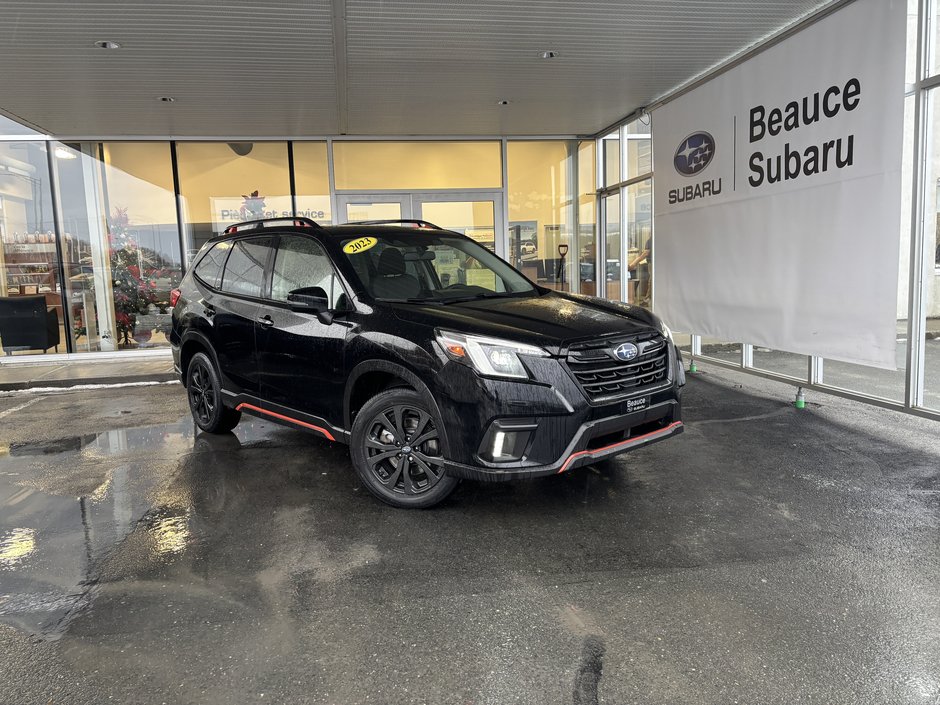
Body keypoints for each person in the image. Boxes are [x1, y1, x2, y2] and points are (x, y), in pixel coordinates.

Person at [628, 228, 651, 306]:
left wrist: (634, 263)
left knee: (651, 281)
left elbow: (645, 253)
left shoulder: (650, 240)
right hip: (650, 263)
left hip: (651, 264)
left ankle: (647, 300)